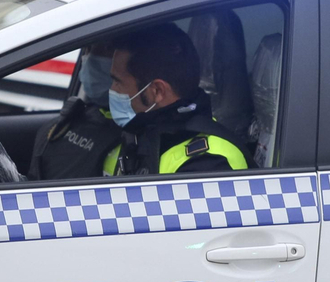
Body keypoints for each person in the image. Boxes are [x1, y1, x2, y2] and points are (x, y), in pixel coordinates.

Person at [102, 23, 249, 176]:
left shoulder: (208, 164)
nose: (112, 89)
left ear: (157, 91)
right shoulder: (139, 132)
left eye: (118, 82)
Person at [27, 43, 124, 181]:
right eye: (87, 49)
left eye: (107, 48)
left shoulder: (140, 139)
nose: (89, 58)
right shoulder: (58, 126)